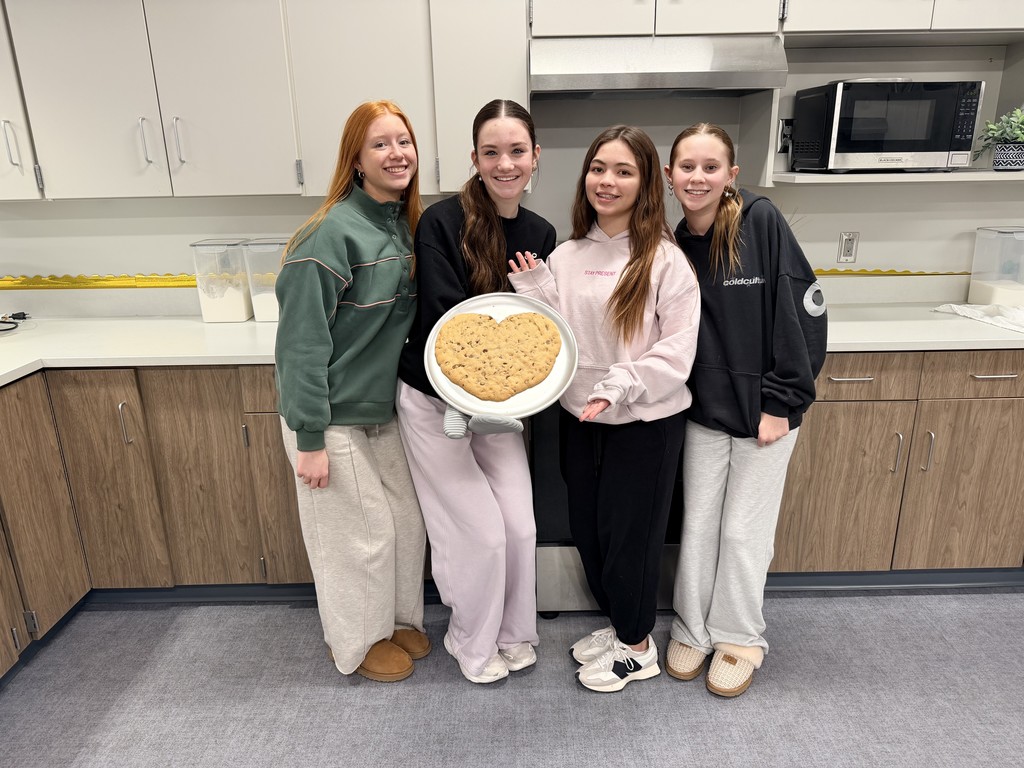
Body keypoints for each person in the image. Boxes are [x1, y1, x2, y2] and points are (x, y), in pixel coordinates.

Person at [509, 125, 700, 693]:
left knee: (631, 539)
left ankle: (638, 648)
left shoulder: (664, 260)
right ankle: (621, 626)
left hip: (644, 421)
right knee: (591, 532)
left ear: (646, 185)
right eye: (599, 169)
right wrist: (536, 292)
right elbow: (563, 334)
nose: (607, 182)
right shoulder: (567, 255)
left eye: (623, 171)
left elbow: (677, 350)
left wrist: (618, 385)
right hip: (578, 419)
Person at [664, 122, 827, 697]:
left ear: (731, 175)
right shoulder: (675, 244)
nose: (698, 177)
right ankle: (692, 627)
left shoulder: (760, 222)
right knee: (700, 526)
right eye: (687, 166)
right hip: (703, 412)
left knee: (742, 534)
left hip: (766, 413)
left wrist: (783, 401)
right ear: (670, 176)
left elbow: (802, 312)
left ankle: (739, 638)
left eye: (711, 167)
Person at [396, 99, 556, 684]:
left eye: (517, 151)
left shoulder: (540, 232)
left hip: (500, 408)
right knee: (479, 533)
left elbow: (539, 328)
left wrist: (536, 290)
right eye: (492, 152)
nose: (505, 163)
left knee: (519, 526)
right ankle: (471, 640)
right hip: (435, 400)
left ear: (535, 157)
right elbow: (445, 317)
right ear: (475, 158)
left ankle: (514, 632)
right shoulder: (440, 221)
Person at [275, 100, 429, 683]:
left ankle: (395, 620)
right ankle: (358, 642)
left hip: (379, 407)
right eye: (381, 144)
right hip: (327, 413)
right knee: (360, 535)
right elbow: (301, 348)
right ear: (356, 160)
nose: (397, 154)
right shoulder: (327, 235)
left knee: (405, 521)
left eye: (404, 141)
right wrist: (309, 438)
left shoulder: (401, 224)